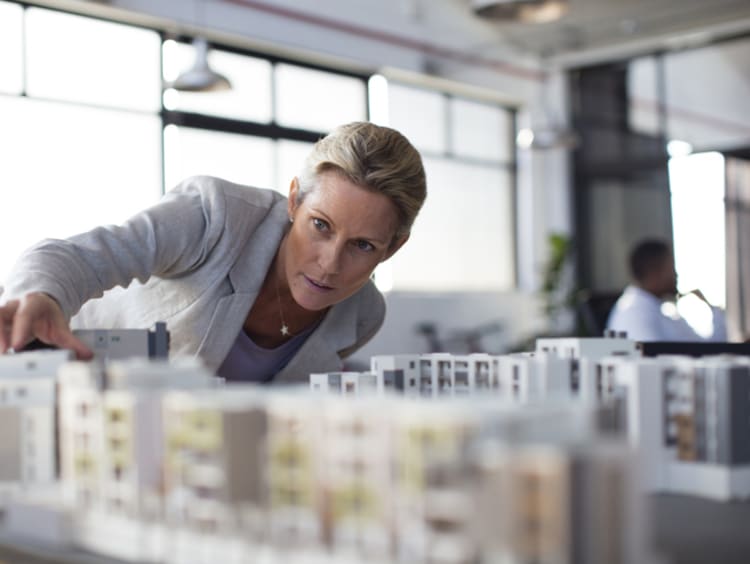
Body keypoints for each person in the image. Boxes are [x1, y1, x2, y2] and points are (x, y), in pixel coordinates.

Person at [0, 122, 427, 383]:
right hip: (68, 393)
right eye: (321, 225)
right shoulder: (215, 216)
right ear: (294, 201)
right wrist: (41, 296)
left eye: (363, 245)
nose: (330, 263)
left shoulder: (363, 317)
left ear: (393, 248)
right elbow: (74, 257)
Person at [606, 239, 727, 342]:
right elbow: (653, 363)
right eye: (671, 267)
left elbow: (710, 346)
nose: (676, 275)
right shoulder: (633, 314)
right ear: (654, 273)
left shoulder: (662, 312)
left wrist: (710, 307)